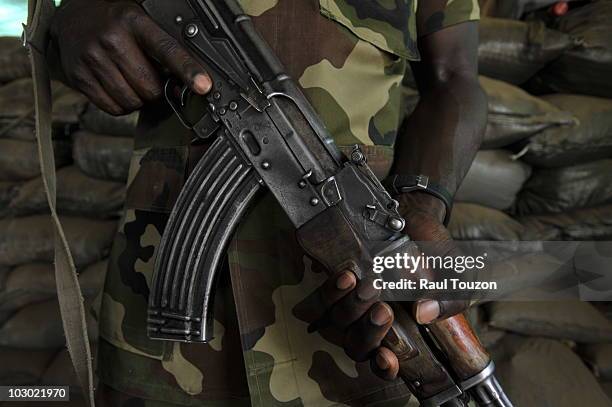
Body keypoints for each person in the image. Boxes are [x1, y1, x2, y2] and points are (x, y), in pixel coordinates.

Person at [48, 0, 486, 405]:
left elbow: (456, 78)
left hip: (348, 325)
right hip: (163, 337)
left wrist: (422, 206)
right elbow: (77, 34)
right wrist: (70, 17)